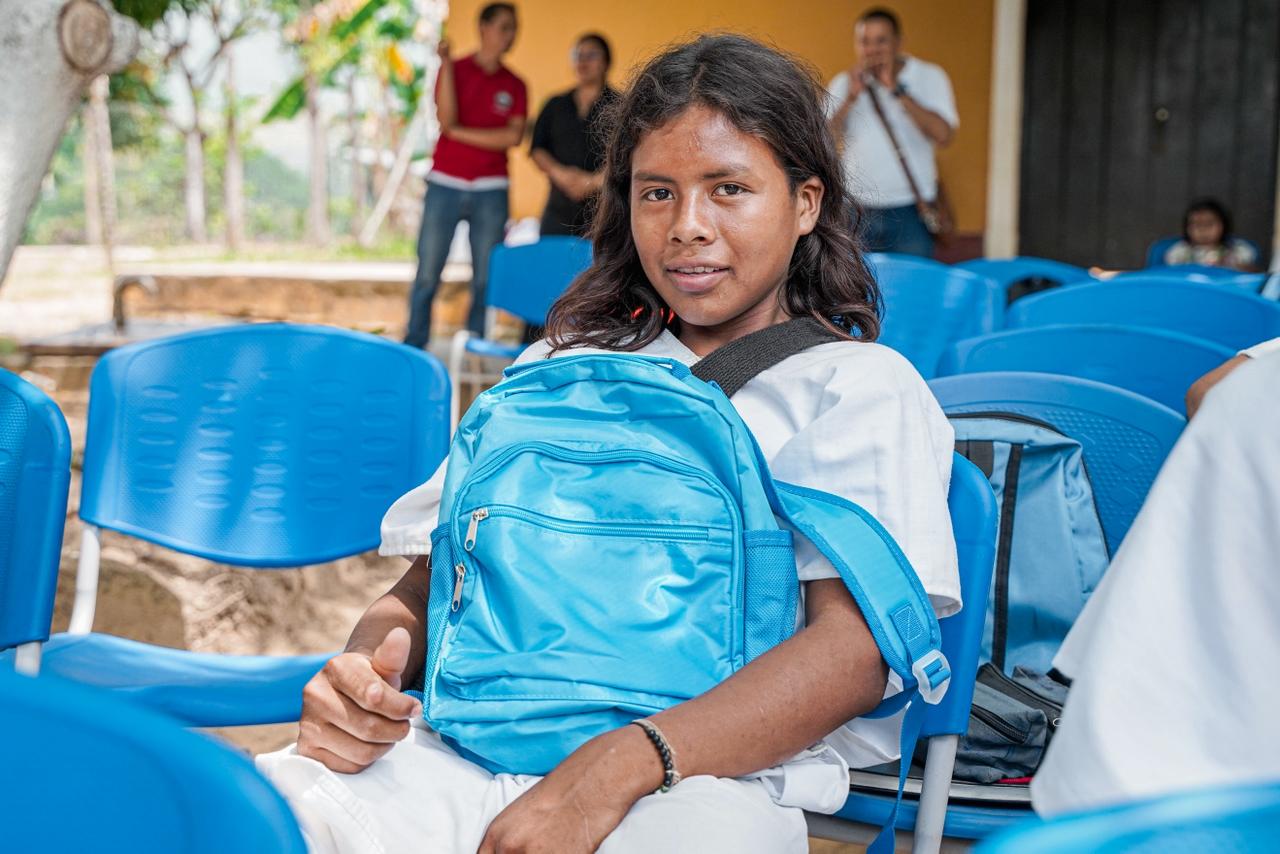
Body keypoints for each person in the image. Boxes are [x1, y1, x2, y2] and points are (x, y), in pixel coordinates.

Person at [259, 34, 959, 853]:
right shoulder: (551, 370)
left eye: (730, 189)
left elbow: (852, 655)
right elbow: (428, 586)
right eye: (657, 192)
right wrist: (360, 675)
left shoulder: (856, 387)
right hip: (461, 747)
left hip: (703, 779)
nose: (687, 227)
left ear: (806, 203)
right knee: (269, 815)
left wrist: (617, 765)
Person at [1031, 345, 1280, 816]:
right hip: (1182, 780)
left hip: (1130, 771)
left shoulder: (1250, 391)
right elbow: (1208, 392)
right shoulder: (1253, 394)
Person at [403, 3, 527, 349]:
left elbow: (512, 137)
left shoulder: (516, 84)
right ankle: (414, 345)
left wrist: (460, 133)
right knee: (428, 272)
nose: (511, 35)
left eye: (514, 28)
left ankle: (476, 347)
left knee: (485, 277)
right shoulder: (454, 69)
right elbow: (446, 119)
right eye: (504, 26)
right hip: (444, 183)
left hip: (492, 187)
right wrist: (444, 63)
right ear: (483, 27)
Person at [825, 7, 957, 258]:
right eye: (865, 42)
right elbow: (823, 142)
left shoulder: (928, 76)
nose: (872, 50)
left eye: (881, 41)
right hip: (856, 209)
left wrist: (896, 90)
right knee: (853, 281)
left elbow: (943, 135)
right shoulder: (845, 82)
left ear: (898, 43)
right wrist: (850, 98)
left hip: (911, 208)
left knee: (911, 279)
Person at [529, 33, 619, 236]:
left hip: (604, 208)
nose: (583, 61)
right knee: (552, 254)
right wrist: (560, 174)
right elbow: (537, 148)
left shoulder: (621, 106)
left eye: (591, 55)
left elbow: (631, 154)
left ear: (606, 62)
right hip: (558, 207)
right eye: (578, 55)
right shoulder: (555, 104)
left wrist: (593, 181)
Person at [1162, 198, 1260, 271]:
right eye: (1196, 225)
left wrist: (1230, 266)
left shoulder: (1238, 250)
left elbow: (1253, 274)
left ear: (1223, 226)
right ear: (1187, 228)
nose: (1202, 230)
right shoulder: (1179, 252)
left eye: (1209, 224)